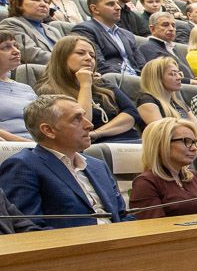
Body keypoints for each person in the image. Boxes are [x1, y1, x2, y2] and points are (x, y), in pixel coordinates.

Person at [0, 94, 130, 227]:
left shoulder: (98, 166)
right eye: (76, 119)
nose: (89, 125)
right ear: (48, 130)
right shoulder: (22, 166)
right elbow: (28, 228)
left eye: (84, 116)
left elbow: (123, 215)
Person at [38, 35, 138, 142]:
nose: (89, 58)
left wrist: (97, 133)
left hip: (129, 140)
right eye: (80, 53)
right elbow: (82, 122)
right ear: (62, 57)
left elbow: (132, 113)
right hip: (97, 147)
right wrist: (85, 85)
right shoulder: (48, 91)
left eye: (92, 55)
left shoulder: (102, 83)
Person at [129, 118, 197, 219]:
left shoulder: (194, 177)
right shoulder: (146, 182)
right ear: (162, 144)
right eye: (186, 141)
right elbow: (155, 229)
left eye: (194, 142)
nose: (194, 148)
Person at [136, 56, 197, 144]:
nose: (179, 78)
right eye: (172, 74)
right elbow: (164, 134)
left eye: (179, 73)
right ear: (157, 78)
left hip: (189, 147)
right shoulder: (147, 101)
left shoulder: (179, 104)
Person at [71, 0, 145, 76]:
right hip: (113, 80)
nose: (118, 8)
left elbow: (141, 65)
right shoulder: (85, 30)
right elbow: (97, 64)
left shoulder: (127, 34)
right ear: (95, 9)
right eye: (110, 4)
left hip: (137, 80)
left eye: (117, 3)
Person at [0, 0, 61, 65]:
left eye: (46, 1)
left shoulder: (53, 30)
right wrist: (68, 61)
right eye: (36, 0)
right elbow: (31, 55)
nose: (43, 4)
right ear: (19, 4)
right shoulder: (10, 24)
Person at [138, 11, 196, 82]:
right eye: (165, 25)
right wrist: (190, 82)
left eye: (173, 25)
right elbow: (161, 76)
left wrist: (194, 79)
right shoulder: (147, 48)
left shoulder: (174, 48)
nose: (171, 29)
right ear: (152, 29)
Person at [0, 30, 37, 140]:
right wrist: (29, 145)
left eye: (15, 46)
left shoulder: (26, 89)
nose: (16, 51)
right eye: (6, 47)